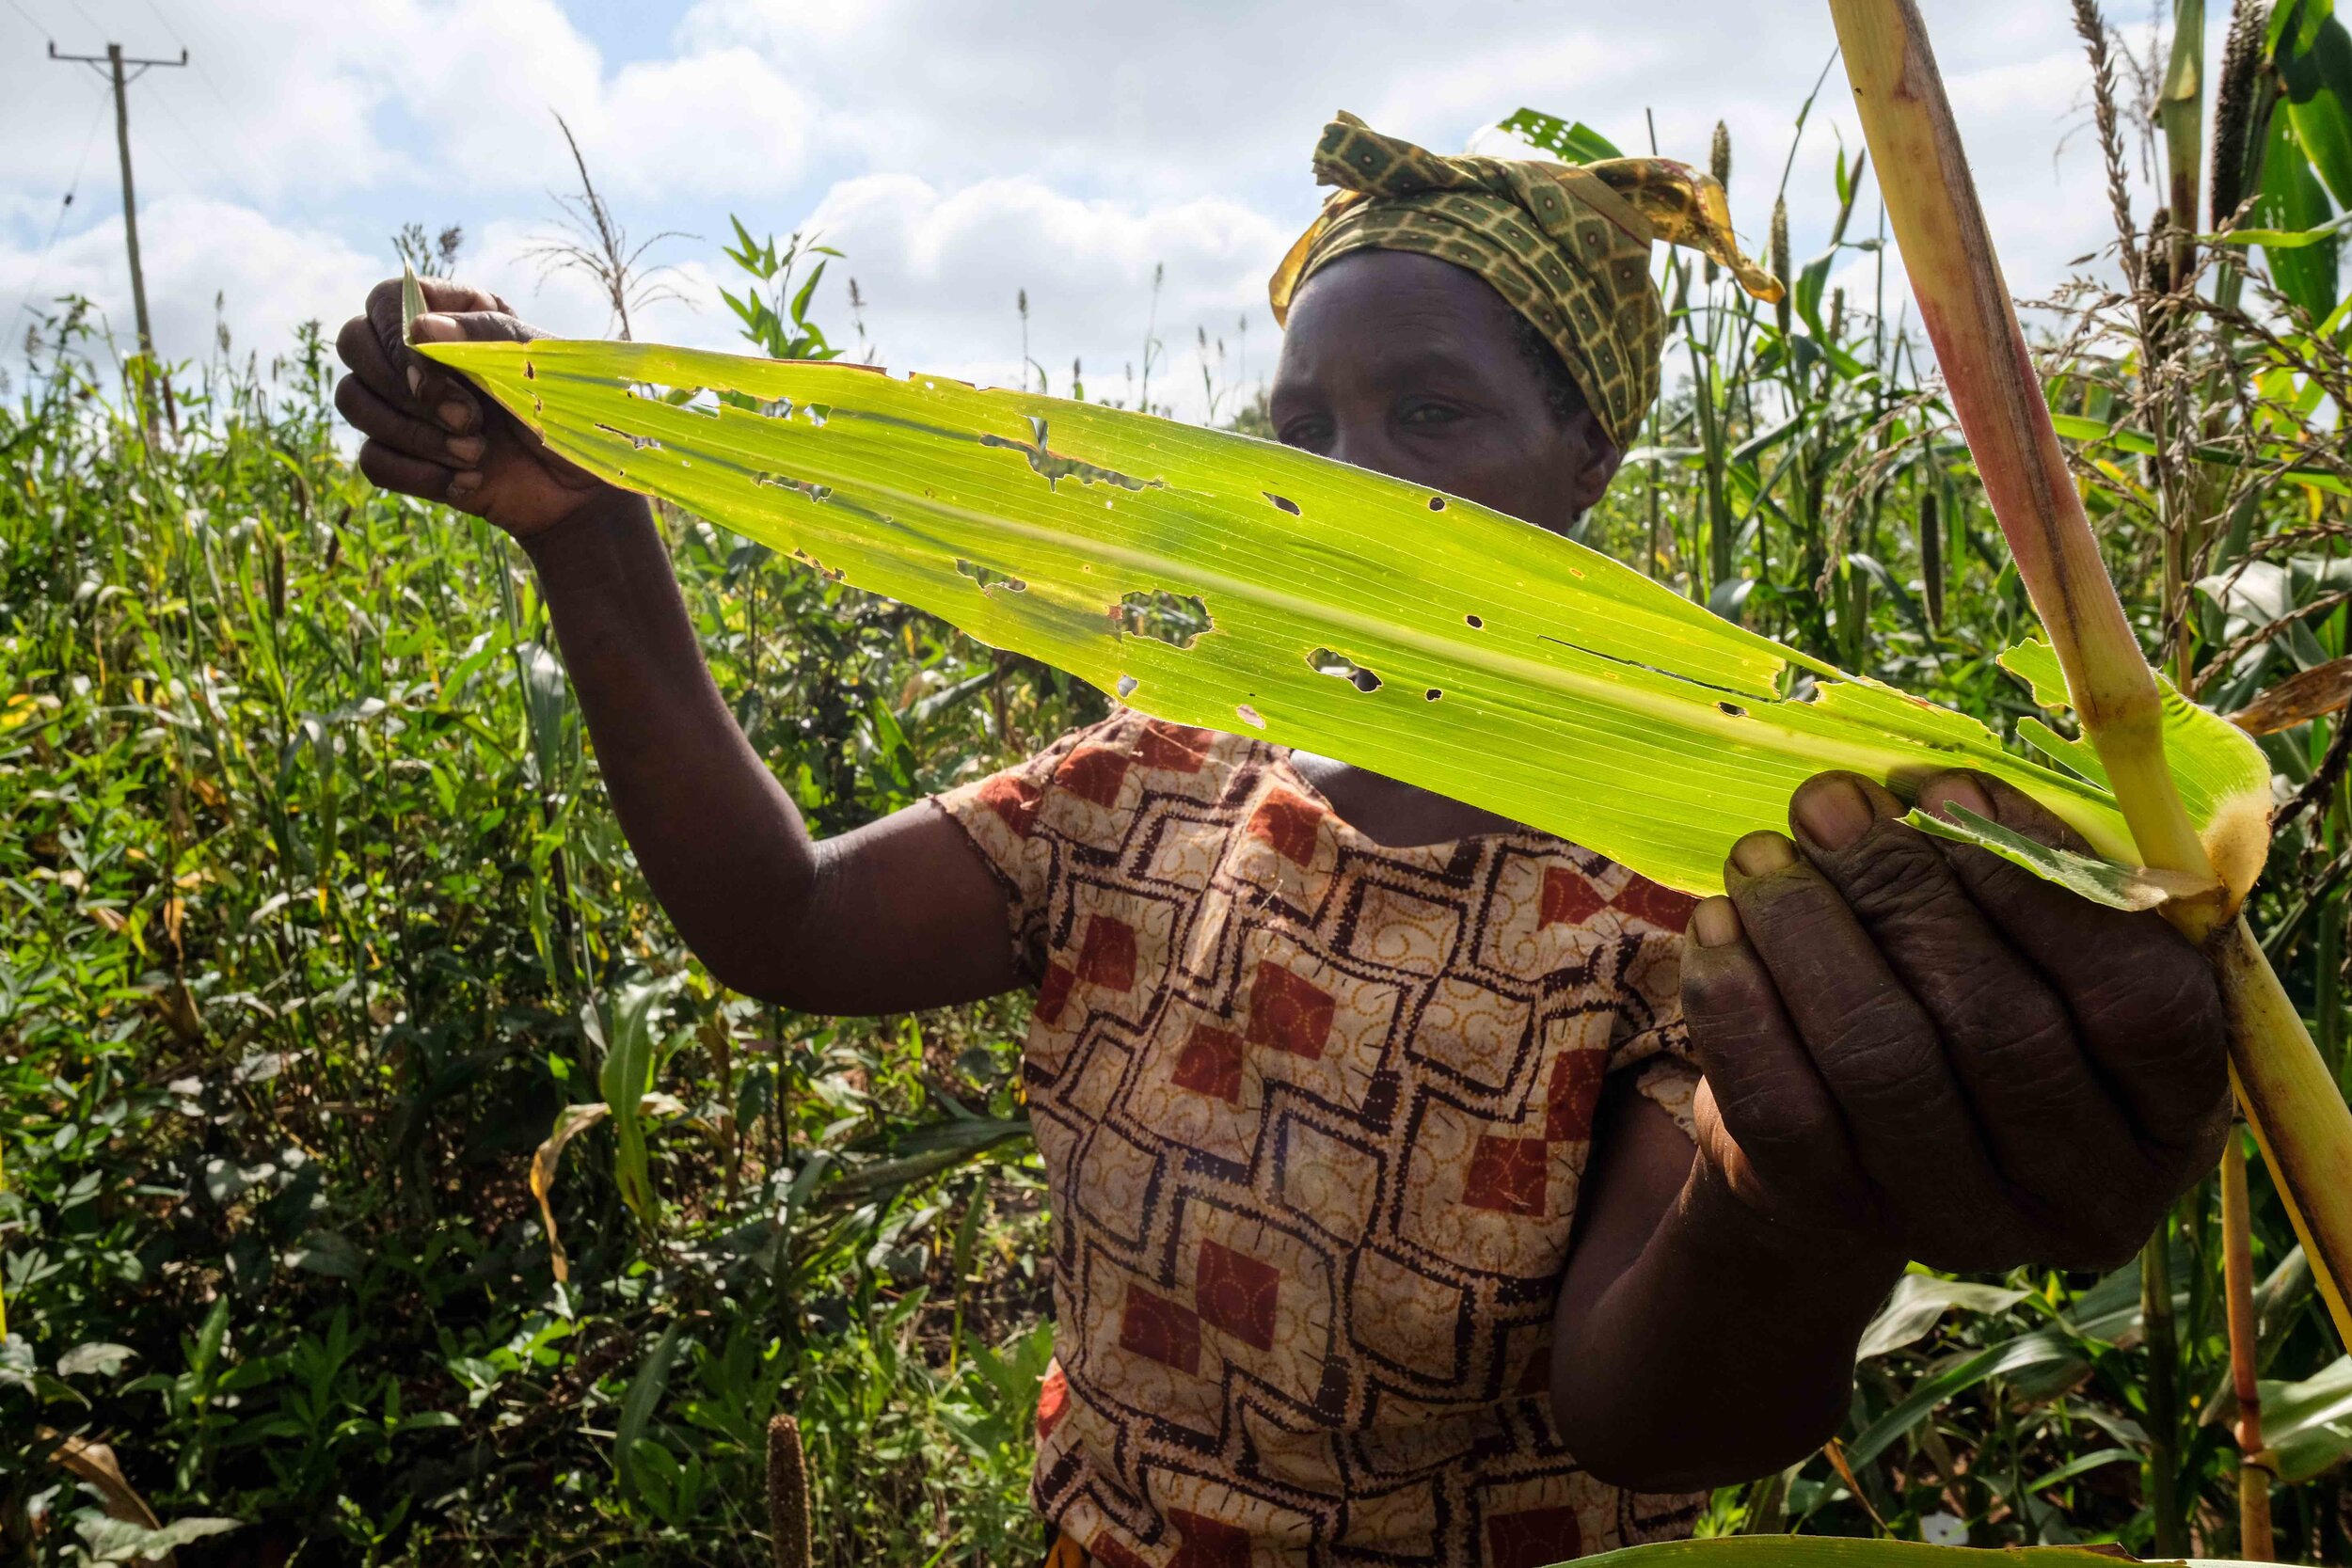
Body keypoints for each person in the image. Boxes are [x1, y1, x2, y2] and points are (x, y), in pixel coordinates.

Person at [331, 113, 2230, 1568]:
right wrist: (590, 536)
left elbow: (1640, 1412)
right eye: (1293, 427)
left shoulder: (1698, 894)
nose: (1339, 480)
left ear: (1583, 459)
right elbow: (790, 924)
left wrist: (1794, 1198)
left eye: (1427, 411)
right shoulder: (1150, 782)